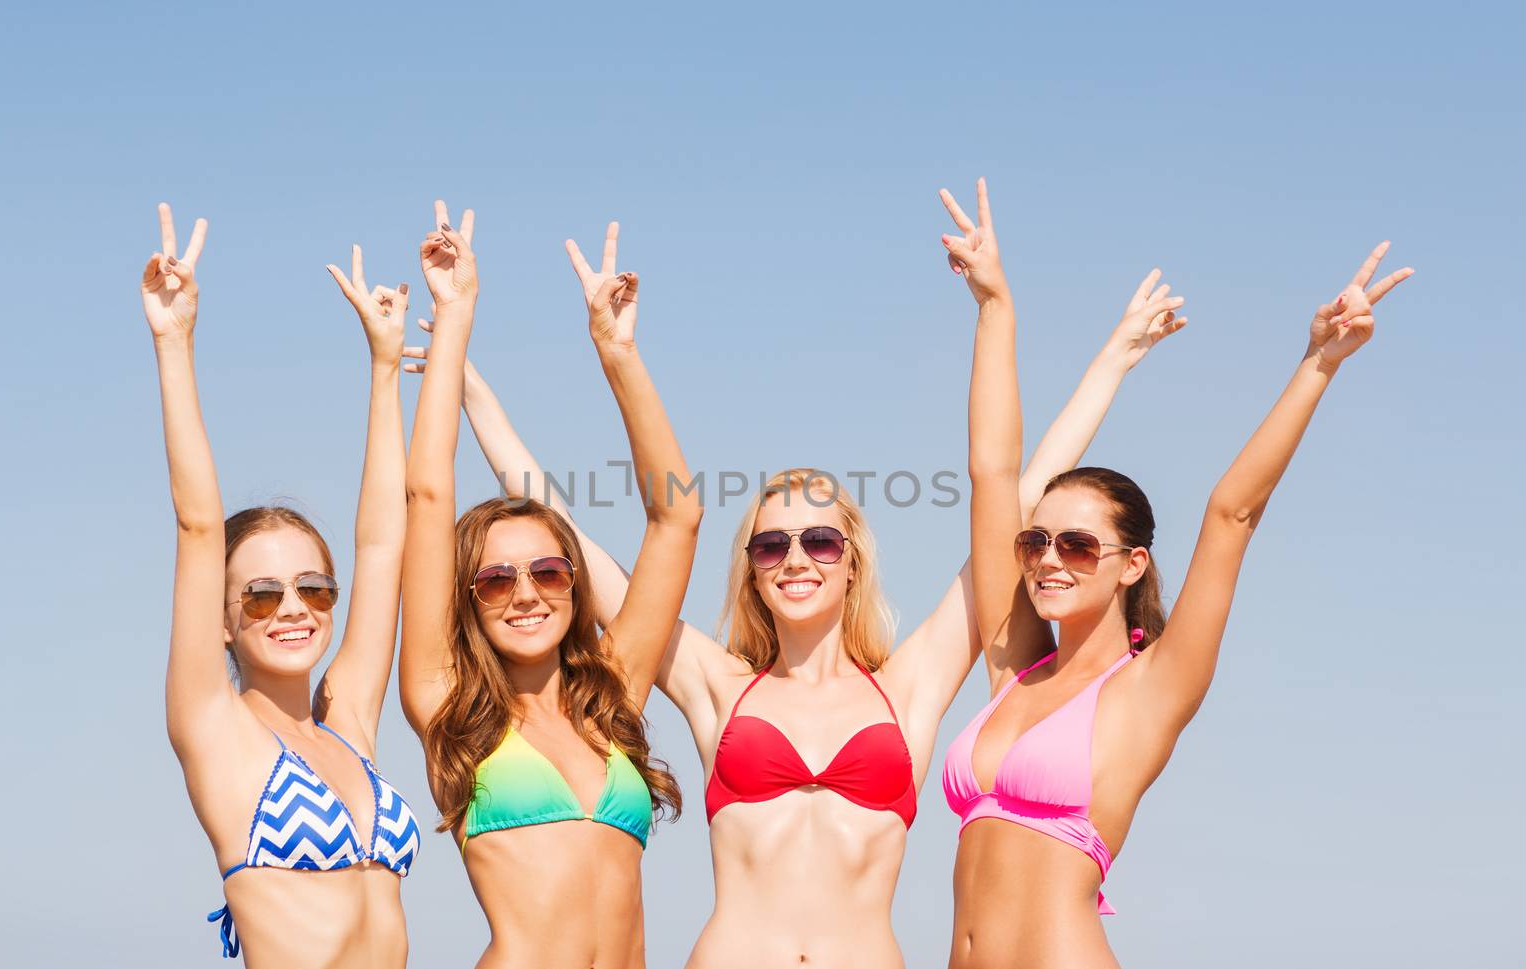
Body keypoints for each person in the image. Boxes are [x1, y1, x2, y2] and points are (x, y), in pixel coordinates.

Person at [458, 192, 1187, 967]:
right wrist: (466, 384)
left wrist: (1097, 354)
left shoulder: (907, 689)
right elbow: (564, 536)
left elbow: (1011, 490)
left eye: (818, 540)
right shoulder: (717, 684)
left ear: (853, 560)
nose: (796, 558)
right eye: (771, 545)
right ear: (752, 571)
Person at [941, 177, 1412, 968]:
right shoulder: (1012, 667)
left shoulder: (1152, 685)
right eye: (1038, 543)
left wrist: (1317, 363)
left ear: (1132, 564)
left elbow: (1232, 512)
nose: (1050, 558)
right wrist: (994, 306)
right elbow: (993, 473)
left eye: (1079, 545)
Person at [397, 206, 702, 968]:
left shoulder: (613, 693)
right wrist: (456, 313)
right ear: (469, 596)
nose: (525, 592)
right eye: (496, 577)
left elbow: (677, 516)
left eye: (548, 570)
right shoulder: (448, 708)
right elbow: (428, 497)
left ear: (573, 586)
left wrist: (618, 353)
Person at [147, 204, 420, 965]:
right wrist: (175, 342)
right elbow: (199, 524)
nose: (292, 607)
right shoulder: (215, 728)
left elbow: (382, 539)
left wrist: (385, 367)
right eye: (261, 594)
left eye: (314, 589)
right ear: (224, 620)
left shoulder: (348, 720)